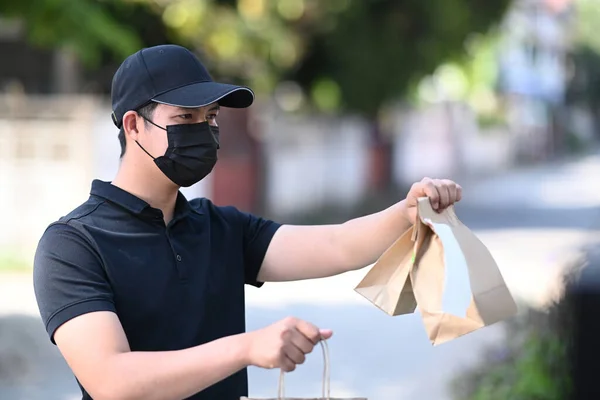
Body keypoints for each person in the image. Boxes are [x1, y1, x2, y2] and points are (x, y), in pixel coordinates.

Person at [33, 44, 463, 400]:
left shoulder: (221, 228)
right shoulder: (73, 245)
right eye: (186, 118)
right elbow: (112, 381)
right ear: (134, 126)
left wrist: (406, 211)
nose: (204, 130)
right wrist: (247, 348)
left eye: (211, 118)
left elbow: (339, 245)